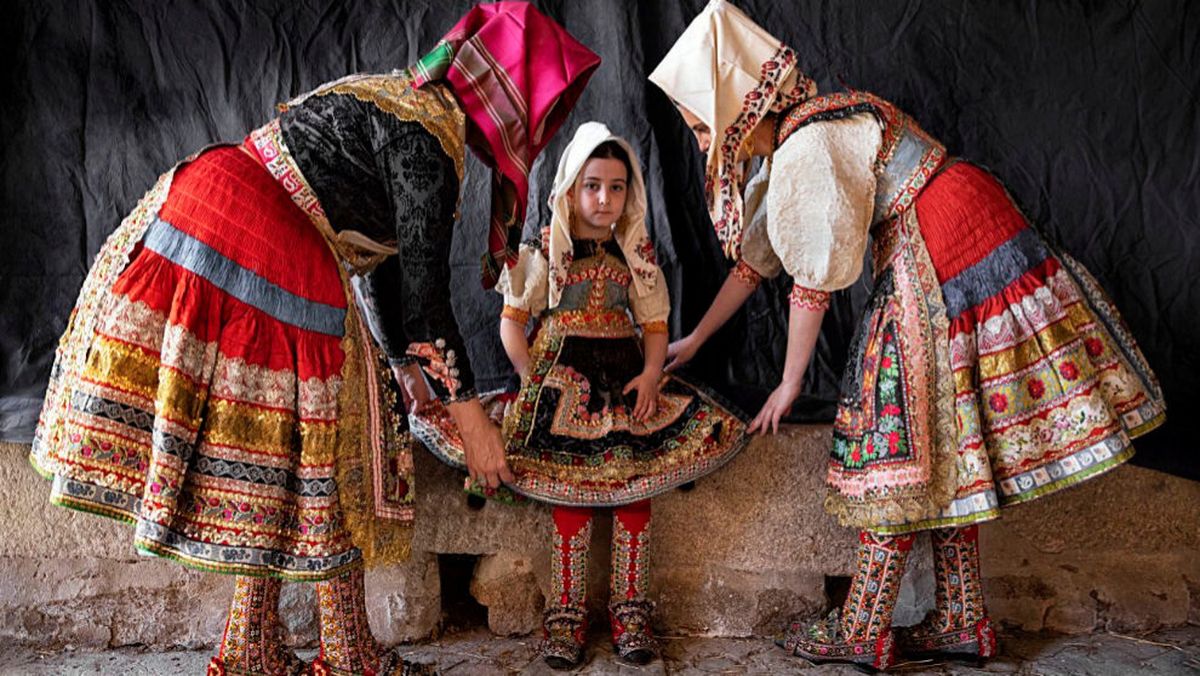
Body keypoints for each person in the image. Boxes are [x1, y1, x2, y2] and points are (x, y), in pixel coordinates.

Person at [28, 4, 599, 675]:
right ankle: (349, 656)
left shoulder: (393, 99)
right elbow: (425, 303)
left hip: (204, 202)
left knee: (274, 452)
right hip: (259, 239)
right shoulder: (426, 139)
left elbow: (385, 274)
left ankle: (248, 649)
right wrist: (474, 423)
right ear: (507, 98)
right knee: (341, 448)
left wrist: (405, 372)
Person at [650, 0, 1166, 670]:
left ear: (740, 109)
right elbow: (760, 259)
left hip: (940, 247)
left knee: (888, 430)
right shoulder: (819, 122)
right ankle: (961, 618)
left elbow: (813, 279)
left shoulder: (807, 146)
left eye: (705, 124)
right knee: (944, 437)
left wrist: (788, 381)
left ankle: (863, 628)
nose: (707, 141)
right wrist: (697, 338)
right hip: (966, 224)